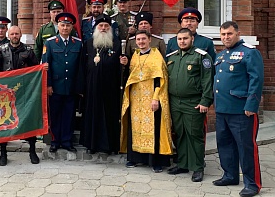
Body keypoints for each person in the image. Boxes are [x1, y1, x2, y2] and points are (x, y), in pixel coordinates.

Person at [212, 21, 263, 197]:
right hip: (222, 109)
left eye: (229, 34)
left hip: (241, 110)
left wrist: (251, 105)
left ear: (237, 33)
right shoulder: (221, 55)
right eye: (223, 34)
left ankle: (252, 183)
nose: (226, 37)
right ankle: (230, 175)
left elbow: (256, 80)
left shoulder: (249, 53)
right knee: (225, 145)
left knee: (246, 147)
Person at [120, 30, 173, 173]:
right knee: (135, 128)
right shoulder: (135, 56)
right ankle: (135, 158)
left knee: (154, 128)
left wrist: (156, 98)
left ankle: (155, 161)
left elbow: (159, 79)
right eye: (138, 39)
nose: (141, 42)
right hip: (136, 99)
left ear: (150, 39)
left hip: (151, 98)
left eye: (144, 39)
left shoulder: (156, 56)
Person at [166, 28, 214, 182]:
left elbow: (207, 80)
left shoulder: (201, 56)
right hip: (175, 102)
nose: (182, 41)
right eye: (179, 39)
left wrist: (205, 101)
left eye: (185, 38)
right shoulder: (172, 57)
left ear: (192, 39)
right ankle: (183, 164)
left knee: (194, 135)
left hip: (193, 102)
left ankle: (198, 167)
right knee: (180, 134)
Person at [0, 26, 40, 166]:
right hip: (6, 93)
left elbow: (36, 70)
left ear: (20, 35)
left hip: (25, 92)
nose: (14, 36)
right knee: (3, 121)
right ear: (8, 34)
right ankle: (3, 153)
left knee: (28, 119)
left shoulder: (28, 51)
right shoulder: (2, 49)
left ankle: (32, 150)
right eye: (12, 33)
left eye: (17, 33)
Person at [79, 16, 127, 154]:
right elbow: (82, 65)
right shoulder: (88, 43)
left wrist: (125, 62)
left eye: (106, 26)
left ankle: (110, 146)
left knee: (109, 115)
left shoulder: (116, 44)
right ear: (96, 28)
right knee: (92, 115)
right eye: (101, 26)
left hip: (110, 86)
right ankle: (91, 145)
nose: (104, 28)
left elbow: (121, 66)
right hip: (92, 87)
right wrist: (81, 87)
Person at [42, 13, 82, 153]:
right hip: (55, 87)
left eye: (68, 25)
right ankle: (55, 140)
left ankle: (66, 141)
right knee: (55, 114)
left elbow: (80, 67)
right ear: (57, 26)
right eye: (62, 25)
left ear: (72, 27)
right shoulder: (50, 43)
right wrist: (48, 85)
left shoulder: (78, 43)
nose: (65, 28)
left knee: (69, 114)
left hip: (71, 87)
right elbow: (46, 65)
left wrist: (78, 86)